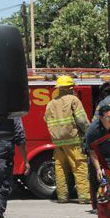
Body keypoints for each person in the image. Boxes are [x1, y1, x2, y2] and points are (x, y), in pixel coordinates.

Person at [44, 75, 91, 204]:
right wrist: (89, 133)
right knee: (80, 168)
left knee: (60, 169)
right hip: (74, 140)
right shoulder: (74, 100)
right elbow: (82, 120)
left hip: (58, 142)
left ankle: (63, 197)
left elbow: (46, 119)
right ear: (70, 88)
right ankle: (85, 197)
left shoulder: (51, 103)